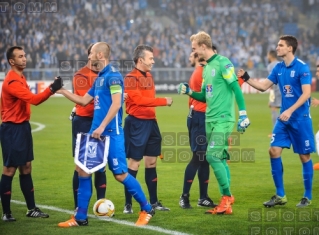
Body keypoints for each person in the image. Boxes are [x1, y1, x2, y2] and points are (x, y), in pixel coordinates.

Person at [57, 42, 155, 227]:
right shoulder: (99, 78)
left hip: (111, 134)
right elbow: (83, 101)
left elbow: (117, 104)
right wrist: (61, 91)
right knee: (83, 170)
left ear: (100, 55)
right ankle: (80, 217)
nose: (89, 57)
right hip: (96, 134)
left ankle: (147, 208)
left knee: (120, 175)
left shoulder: (114, 76)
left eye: (92, 53)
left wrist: (101, 127)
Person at [237, 35, 315, 207]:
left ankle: (307, 196)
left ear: (290, 48)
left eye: (281, 45)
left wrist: (290, 110)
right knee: (273, 151)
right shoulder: (279, 68)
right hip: (284, 119)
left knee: (304, 156)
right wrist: (247, 77)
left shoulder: (302, 68)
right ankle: (280, 195)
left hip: (300, 119)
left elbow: (306, 94)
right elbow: (264, 86)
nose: (277, 48)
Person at [178, 31, 250, 215]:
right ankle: (227, 203)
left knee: (211, 156)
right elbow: (204, 96)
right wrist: (189, 92)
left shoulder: (223, 63)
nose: (193, 52)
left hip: (223, 119)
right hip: (209, 119)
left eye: (194, 48)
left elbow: (236, 88)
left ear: (203, 46)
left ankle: (226, 196)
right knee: (221, 159)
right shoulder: (206, 68)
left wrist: (243, 114)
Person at [0, 46, 62, 221]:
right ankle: (6, 213)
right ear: (12, 61)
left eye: (25, 56)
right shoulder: (12, 82)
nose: (24, 59)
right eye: (20, 57)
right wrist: (52, 88)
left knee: (26, 167)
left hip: (23, 127)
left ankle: (31, 209)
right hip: (12, 129)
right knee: (9, 169)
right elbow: (34, 100)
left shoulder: (20, 77)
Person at [123, 45, 172, 214]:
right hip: (137, 123)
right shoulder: (130, 78)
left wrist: (155, 120)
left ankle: (154, 202)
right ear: (140, 60)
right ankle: (128, 204)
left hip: (151, 123)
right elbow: (139, 100)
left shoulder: (149, 76)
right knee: (134, 163)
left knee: (151, 162)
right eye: (150, 58)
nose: (153, 60)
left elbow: (148, 100)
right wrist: (163, 101)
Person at [70, 43, 107, 210]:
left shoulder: (103, 74)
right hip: (84, 123)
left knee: (101, 165)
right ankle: (79, 206)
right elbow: (87, 101)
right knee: (81, 165)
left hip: (100, 122)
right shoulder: (81, 75)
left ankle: (101, 205)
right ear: (91, 55)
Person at [179, 51, 216, 209]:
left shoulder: (203, 71)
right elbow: (209, 96)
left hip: (201, 115)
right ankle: (184, 196)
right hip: (200, 116)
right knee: (198, 156)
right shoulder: (203, 72)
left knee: (204, 158)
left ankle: (203, 197)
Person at [267, 50, 281, 136]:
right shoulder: (281, 64)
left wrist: (271, 98)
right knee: (284, 110)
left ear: (270, 56)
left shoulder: (270, 66)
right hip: (284, 89)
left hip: (276, 90)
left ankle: (275, 132)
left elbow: (271, 82)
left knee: (273, 108)